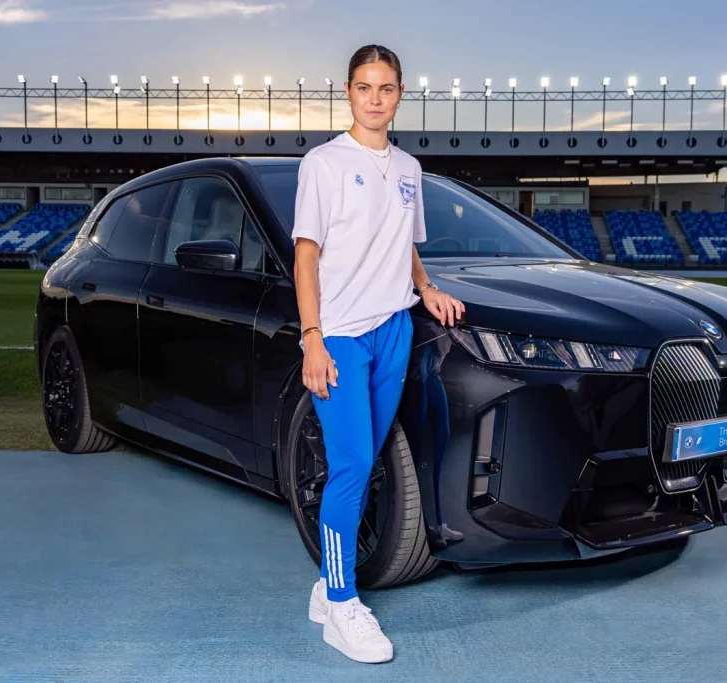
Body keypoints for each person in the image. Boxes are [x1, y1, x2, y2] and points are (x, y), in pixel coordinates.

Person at [291, 44, 465, 664]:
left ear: (399, 94)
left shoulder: (410, 169)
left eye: (386, 87)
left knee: (364, 463)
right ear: (348, 92)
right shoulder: (324, 163)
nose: (374, 97)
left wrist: (426, 288)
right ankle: (341, 604)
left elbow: (403, 244)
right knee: (353, 463)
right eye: (364, 87)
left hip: (394, 328)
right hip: (339, 333)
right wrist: (313, 338)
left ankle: (324, 589)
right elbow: (306, 256)